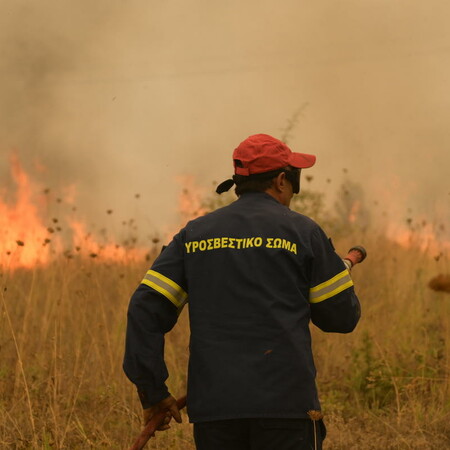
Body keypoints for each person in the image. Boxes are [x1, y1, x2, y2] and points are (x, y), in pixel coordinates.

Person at [123, 133, 361, 450]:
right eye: (294, 180)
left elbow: (145, 309)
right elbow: (341, 319)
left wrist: (152, 392)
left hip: (215, 412)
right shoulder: (303, 232)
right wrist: (333, 280)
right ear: (280, 181)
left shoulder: (194, 235)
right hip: (286, 407)